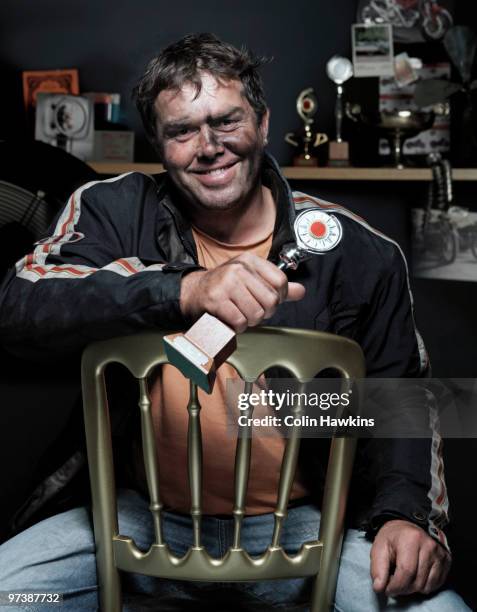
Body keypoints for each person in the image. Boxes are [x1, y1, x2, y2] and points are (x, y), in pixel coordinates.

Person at [0, 33, 469, 611]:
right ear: (159, 141)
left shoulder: (357, 251)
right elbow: (21, 304)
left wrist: (407, 516)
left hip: (303, 528)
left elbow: (402, 396)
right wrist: (183, 290)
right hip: (136, 519)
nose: (209, 147)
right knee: (9, 593)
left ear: (264, 122)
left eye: (226, 121)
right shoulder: (110, 210)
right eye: (182, 131)